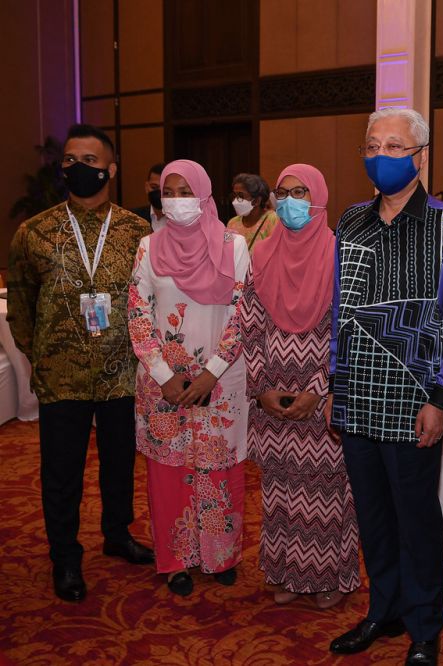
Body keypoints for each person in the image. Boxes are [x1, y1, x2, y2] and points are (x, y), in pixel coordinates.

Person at [326, 108, 443, 666]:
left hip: (415, 400)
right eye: (372, 145)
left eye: (394, 146)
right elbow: (340, 311)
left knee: (416, 518)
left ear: (420, 156)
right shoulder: (350, 222)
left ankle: (424, 627)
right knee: (372, 514)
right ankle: (383, 610)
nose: (380, 155)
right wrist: (336, 385)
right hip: (358, 392)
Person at [7, 123, 154, 602]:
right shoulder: (34, 232)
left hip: (122, 374)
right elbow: (22, 304)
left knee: (118, 465)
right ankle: (65, 557)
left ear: (110, 170)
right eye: (69, 159)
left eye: (88, 161)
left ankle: (116, 534)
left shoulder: (137, 231)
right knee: (61, 472)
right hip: (62, 376)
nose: (76, 168)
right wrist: (40, 354)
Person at [127, 159, 250, 597]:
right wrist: (162, 374)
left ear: (203, 194)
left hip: (219, 382)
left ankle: (220, 557)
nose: (175, 199)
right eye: (168, 190)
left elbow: (242, 314)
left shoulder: (233, 246)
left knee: (218, 468)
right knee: (168, 473)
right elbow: (138, 314)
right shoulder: (147, 248)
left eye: (184, 190)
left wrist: (210, 374)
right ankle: (175, 560)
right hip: (163, 385)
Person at [242, 163, 360, 608]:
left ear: (319, 200)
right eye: (283, 191)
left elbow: (347, 329)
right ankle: (286, 573)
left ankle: (328, 577)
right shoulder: (263, 253)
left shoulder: (339, 255)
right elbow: (248, 325)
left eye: (300, 192)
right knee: (279, 488)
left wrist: (318, 389)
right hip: (271, 388)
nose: (291, 201)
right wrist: (260, 386)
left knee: (325, 489)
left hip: (320, 391)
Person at [227, 173, 279, 253]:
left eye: (241, 196)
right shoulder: (232, 223)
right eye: (235, 195)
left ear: (257, 200)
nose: (235, 200)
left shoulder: (272, 219)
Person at [131, 162, 166, 231]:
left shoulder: (180, 221)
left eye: (164, 190)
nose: (159, 193)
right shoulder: (133, 217)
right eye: (154, 187)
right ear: (146, 187)